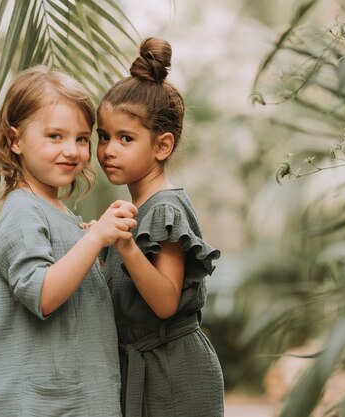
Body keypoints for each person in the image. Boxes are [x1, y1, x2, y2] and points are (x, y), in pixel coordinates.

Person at [0, 65, 137, 417]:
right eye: (55, 136)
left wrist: (93, 242)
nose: (71, 150)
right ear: (15, 140)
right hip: (37, 404)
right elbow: (41, 294)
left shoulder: (55, 211)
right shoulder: (22, 211)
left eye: (82, 138)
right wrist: (96, 237)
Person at [96, 38, 225, 417]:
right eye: (103, 136)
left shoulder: (164, 209)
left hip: (175, 377)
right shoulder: (135, 209)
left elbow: (166, 302)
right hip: (146, 371)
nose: (108, 150)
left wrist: (126, 248)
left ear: (162, 146)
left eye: (125, 138)